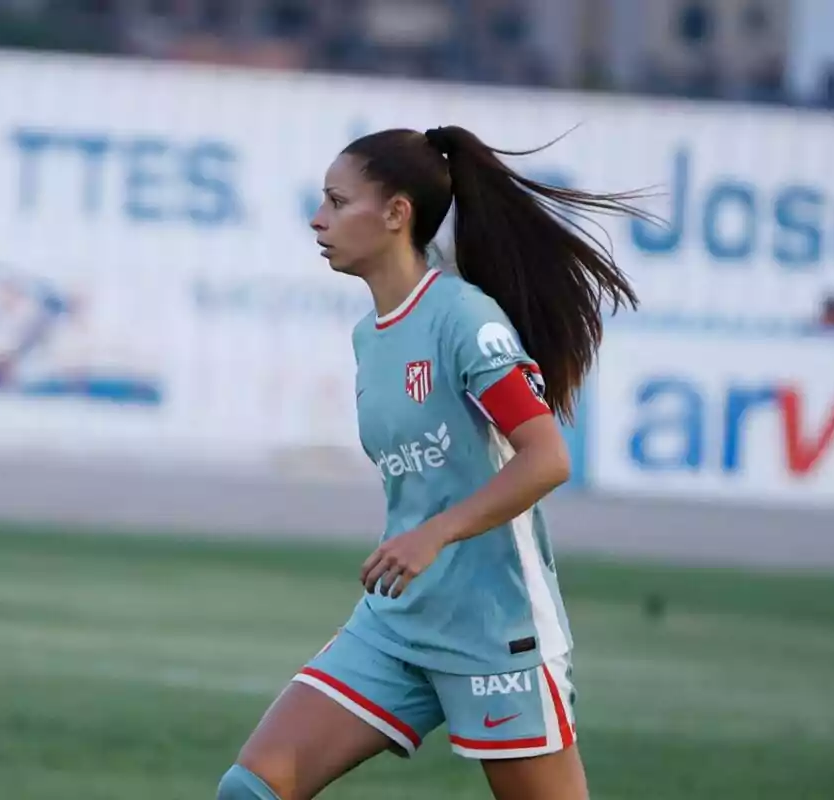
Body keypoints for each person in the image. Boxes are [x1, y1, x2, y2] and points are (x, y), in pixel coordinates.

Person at [216, 126, 644, 800]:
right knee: (253, 789)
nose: (317, 218)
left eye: (336, 201)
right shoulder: (371, 336)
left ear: (396, 214)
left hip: (495, 630)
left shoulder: (465, 319)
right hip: (400, 619)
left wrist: (435, 533)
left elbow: (546, 458)